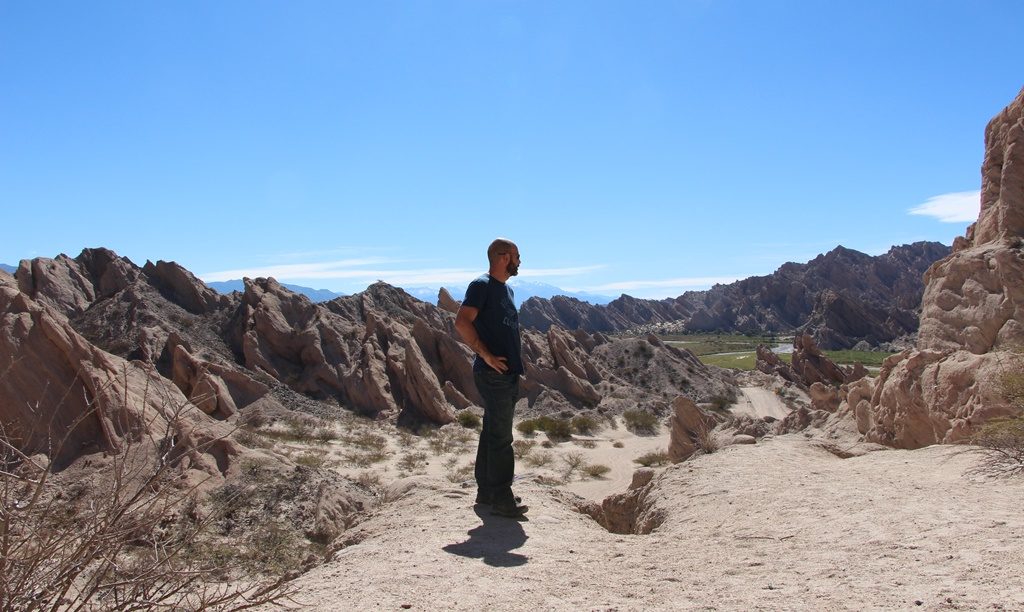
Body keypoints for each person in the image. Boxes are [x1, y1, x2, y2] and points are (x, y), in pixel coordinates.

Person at [454, 238, 528, 518]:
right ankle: (501, 497)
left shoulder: (506, 290)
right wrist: (485, 355)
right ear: (504, 257)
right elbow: (461, 322)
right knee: (501, 437)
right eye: (517, 256)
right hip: (493, 374)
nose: (520, 261)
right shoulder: (481, 285)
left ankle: (486, 492)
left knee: (490, 434)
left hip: (506, 374)